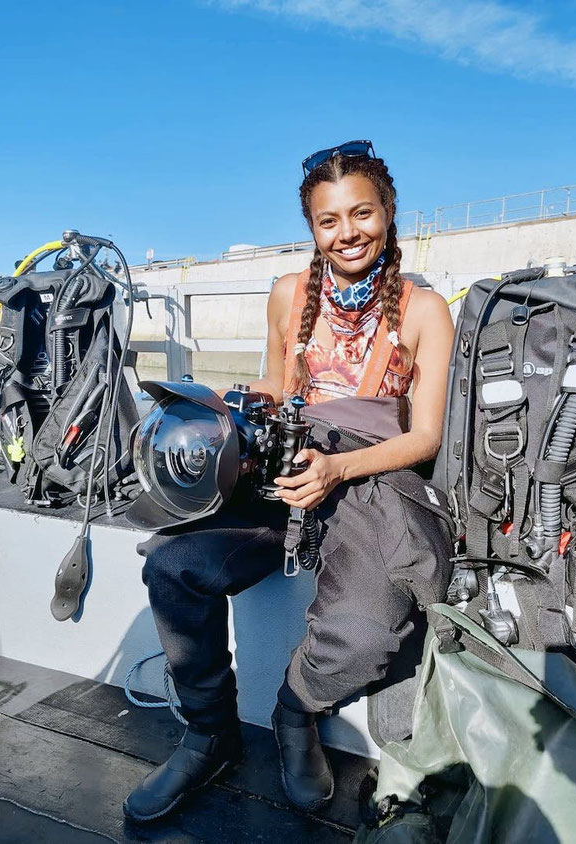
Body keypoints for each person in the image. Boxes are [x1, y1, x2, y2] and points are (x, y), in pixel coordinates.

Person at [123, 140, 455, 822]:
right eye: (328, 221)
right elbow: (280, 384)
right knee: (174, 565)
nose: (347, 233)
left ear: (387, 212)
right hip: (285, 468)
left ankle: (294, 714)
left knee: (366, 632)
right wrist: (241, 407)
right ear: (311, 228)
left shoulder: (424, 308)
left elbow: (423, 436)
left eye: (361, 214)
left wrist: (337, 467)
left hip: (368, 480)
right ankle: (207, 733)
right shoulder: (288, 294)